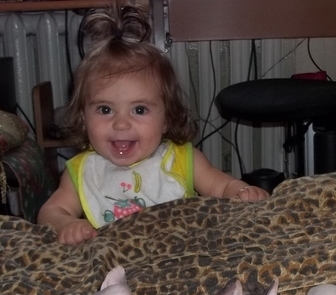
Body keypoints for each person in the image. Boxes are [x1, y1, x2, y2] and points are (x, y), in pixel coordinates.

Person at [38, 2, 269, 246]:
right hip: (114, 261)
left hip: (180, 255)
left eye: (139, 109)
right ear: (84, 118)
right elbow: (50, 211)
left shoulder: (182, 160)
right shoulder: (81, 171)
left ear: (167, 118)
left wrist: (243, 192)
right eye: (105, 110)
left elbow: (224, 187)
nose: (121, 124)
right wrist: (66, 224)